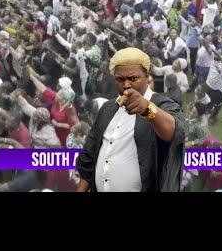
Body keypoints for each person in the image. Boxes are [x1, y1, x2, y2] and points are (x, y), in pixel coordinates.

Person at [75, 47, 185, 192]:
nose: (126, 84)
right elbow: (89, 155)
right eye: (120, 79)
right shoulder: (107, 108)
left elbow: (175, 132)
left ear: (147, 76)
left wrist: (147, 108)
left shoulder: (162, 104)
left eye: (133, 78)